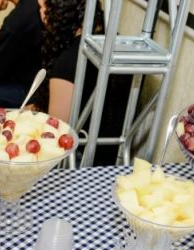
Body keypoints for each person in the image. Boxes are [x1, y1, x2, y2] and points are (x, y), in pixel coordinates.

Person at [37, 0, 131, 165]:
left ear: (61, 13)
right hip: (115, 159)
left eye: (44, 7)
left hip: (81, 163)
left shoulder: (66, 65)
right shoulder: (116, 44)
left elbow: (54, 137)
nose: (40, 12)